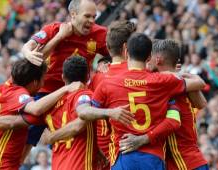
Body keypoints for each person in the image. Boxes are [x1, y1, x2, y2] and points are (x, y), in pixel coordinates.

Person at [0, 56, 133, 170]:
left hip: (52, 164)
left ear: (63, 76)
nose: (43, 84)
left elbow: (17, 122)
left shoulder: (47, 105)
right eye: (42, 80)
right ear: (88, 75)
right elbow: (79, 121)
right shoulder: (83, 96)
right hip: (1, 162)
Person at [80, 33, 205, 169]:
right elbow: (198, 95)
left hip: (125, 156)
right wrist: (178, 75)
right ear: (149, 57)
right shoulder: (163, 82)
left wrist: (109, 112)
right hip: (154, 158)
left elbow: (84, 112)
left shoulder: (107, 82)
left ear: (126, 52)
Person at [21, 0, 109, 147]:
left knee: (68, 142)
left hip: (74, 93)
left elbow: (114, 53)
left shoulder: (100, 33)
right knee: (27, 141)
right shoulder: (54, 29)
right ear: (73, 15)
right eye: (87, 16)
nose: (92, 21)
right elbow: (30, 49)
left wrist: (103, 62)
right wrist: (59, 37)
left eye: (94, 17)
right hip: (46, 93)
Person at [0, 59, 83, 170]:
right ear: (35, 82)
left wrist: (30, 52)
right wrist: (66, 88)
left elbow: (19, 123)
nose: (44, 83)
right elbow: (34, 110)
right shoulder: (18, 94)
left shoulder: (7, 85)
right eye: (43, 79)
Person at [119, 39, 209, 170]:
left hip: (183, 163)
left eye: (149, 57)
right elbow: (202, 103)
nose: (146, 61)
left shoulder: (163, 84)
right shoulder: (178, 81)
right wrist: (181, 74)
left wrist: (142, 139)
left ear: (158, 60)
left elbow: (174, 121)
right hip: (192, 159)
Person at [88, 20, 135, 168]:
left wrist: (109, 154)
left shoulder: (98, 77)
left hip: (116, 154)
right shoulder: (146, 73)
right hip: (148, 151)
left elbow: (99, 122)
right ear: (128, 47)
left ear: (108, 48)